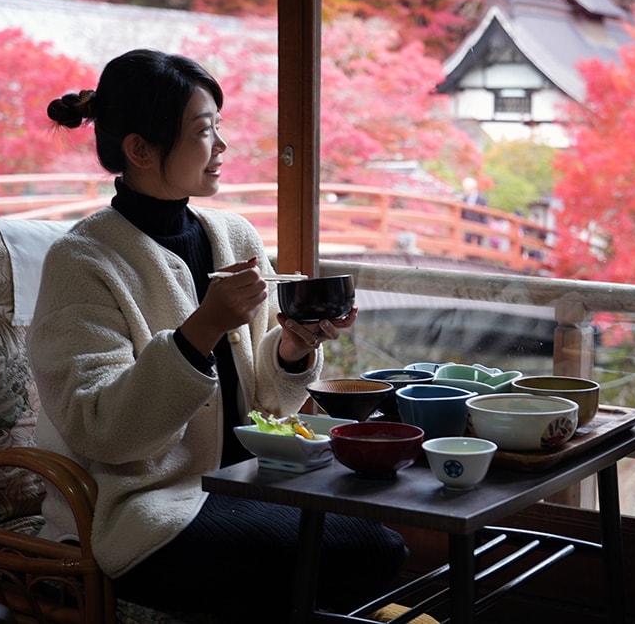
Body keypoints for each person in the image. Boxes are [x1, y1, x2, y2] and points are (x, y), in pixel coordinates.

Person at [29, 49, 406, 621]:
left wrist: (294, 347)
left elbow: (264, 405)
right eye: (206, 132)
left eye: (219, 129)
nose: (223, 148)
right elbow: (101, 429)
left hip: (249, 479)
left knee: (381, 549)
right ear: (140, 149)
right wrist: (202, 328)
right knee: (349, 559)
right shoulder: (83, 260)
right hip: (144, 508)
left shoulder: (233, 234)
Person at [460, 176, 488, 245]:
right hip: (468, 225)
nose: (465, 191)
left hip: (479, 225)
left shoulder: (481, 199)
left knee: (479, 244)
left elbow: (485, 215)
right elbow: (462, 213)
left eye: (466, 189)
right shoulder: (465, 199)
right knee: (467, 242)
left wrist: (485, 228)